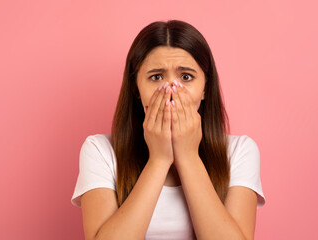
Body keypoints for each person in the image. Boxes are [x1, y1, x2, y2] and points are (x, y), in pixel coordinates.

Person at [71, 20, 265, 240]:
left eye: (186, 77)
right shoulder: (99, 151)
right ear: (136, 88)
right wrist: (159, 159)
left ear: (204, 89)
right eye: (156, 77)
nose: (171, 91)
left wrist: (189, 156)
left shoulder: (239, 151)